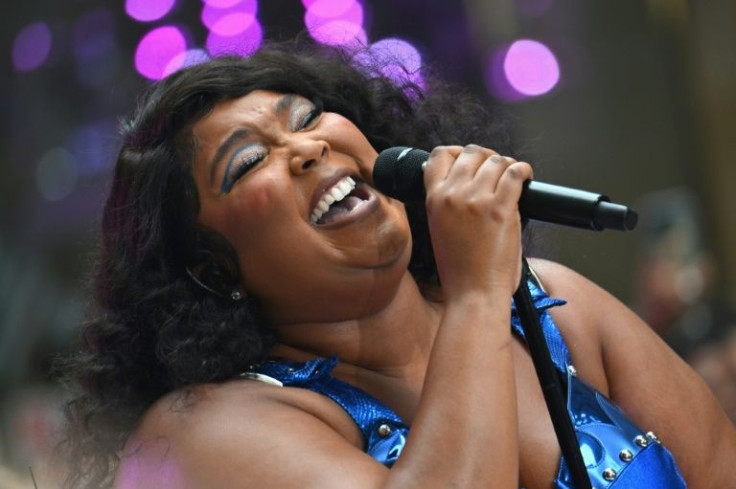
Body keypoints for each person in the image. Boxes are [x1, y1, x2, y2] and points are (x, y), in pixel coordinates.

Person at [59, 40, 736, 489]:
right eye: (248, 160)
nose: (307, 147)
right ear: (212, 269)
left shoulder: (556, 308)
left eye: (308, 116)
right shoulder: (205, 430)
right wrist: (475, 294)